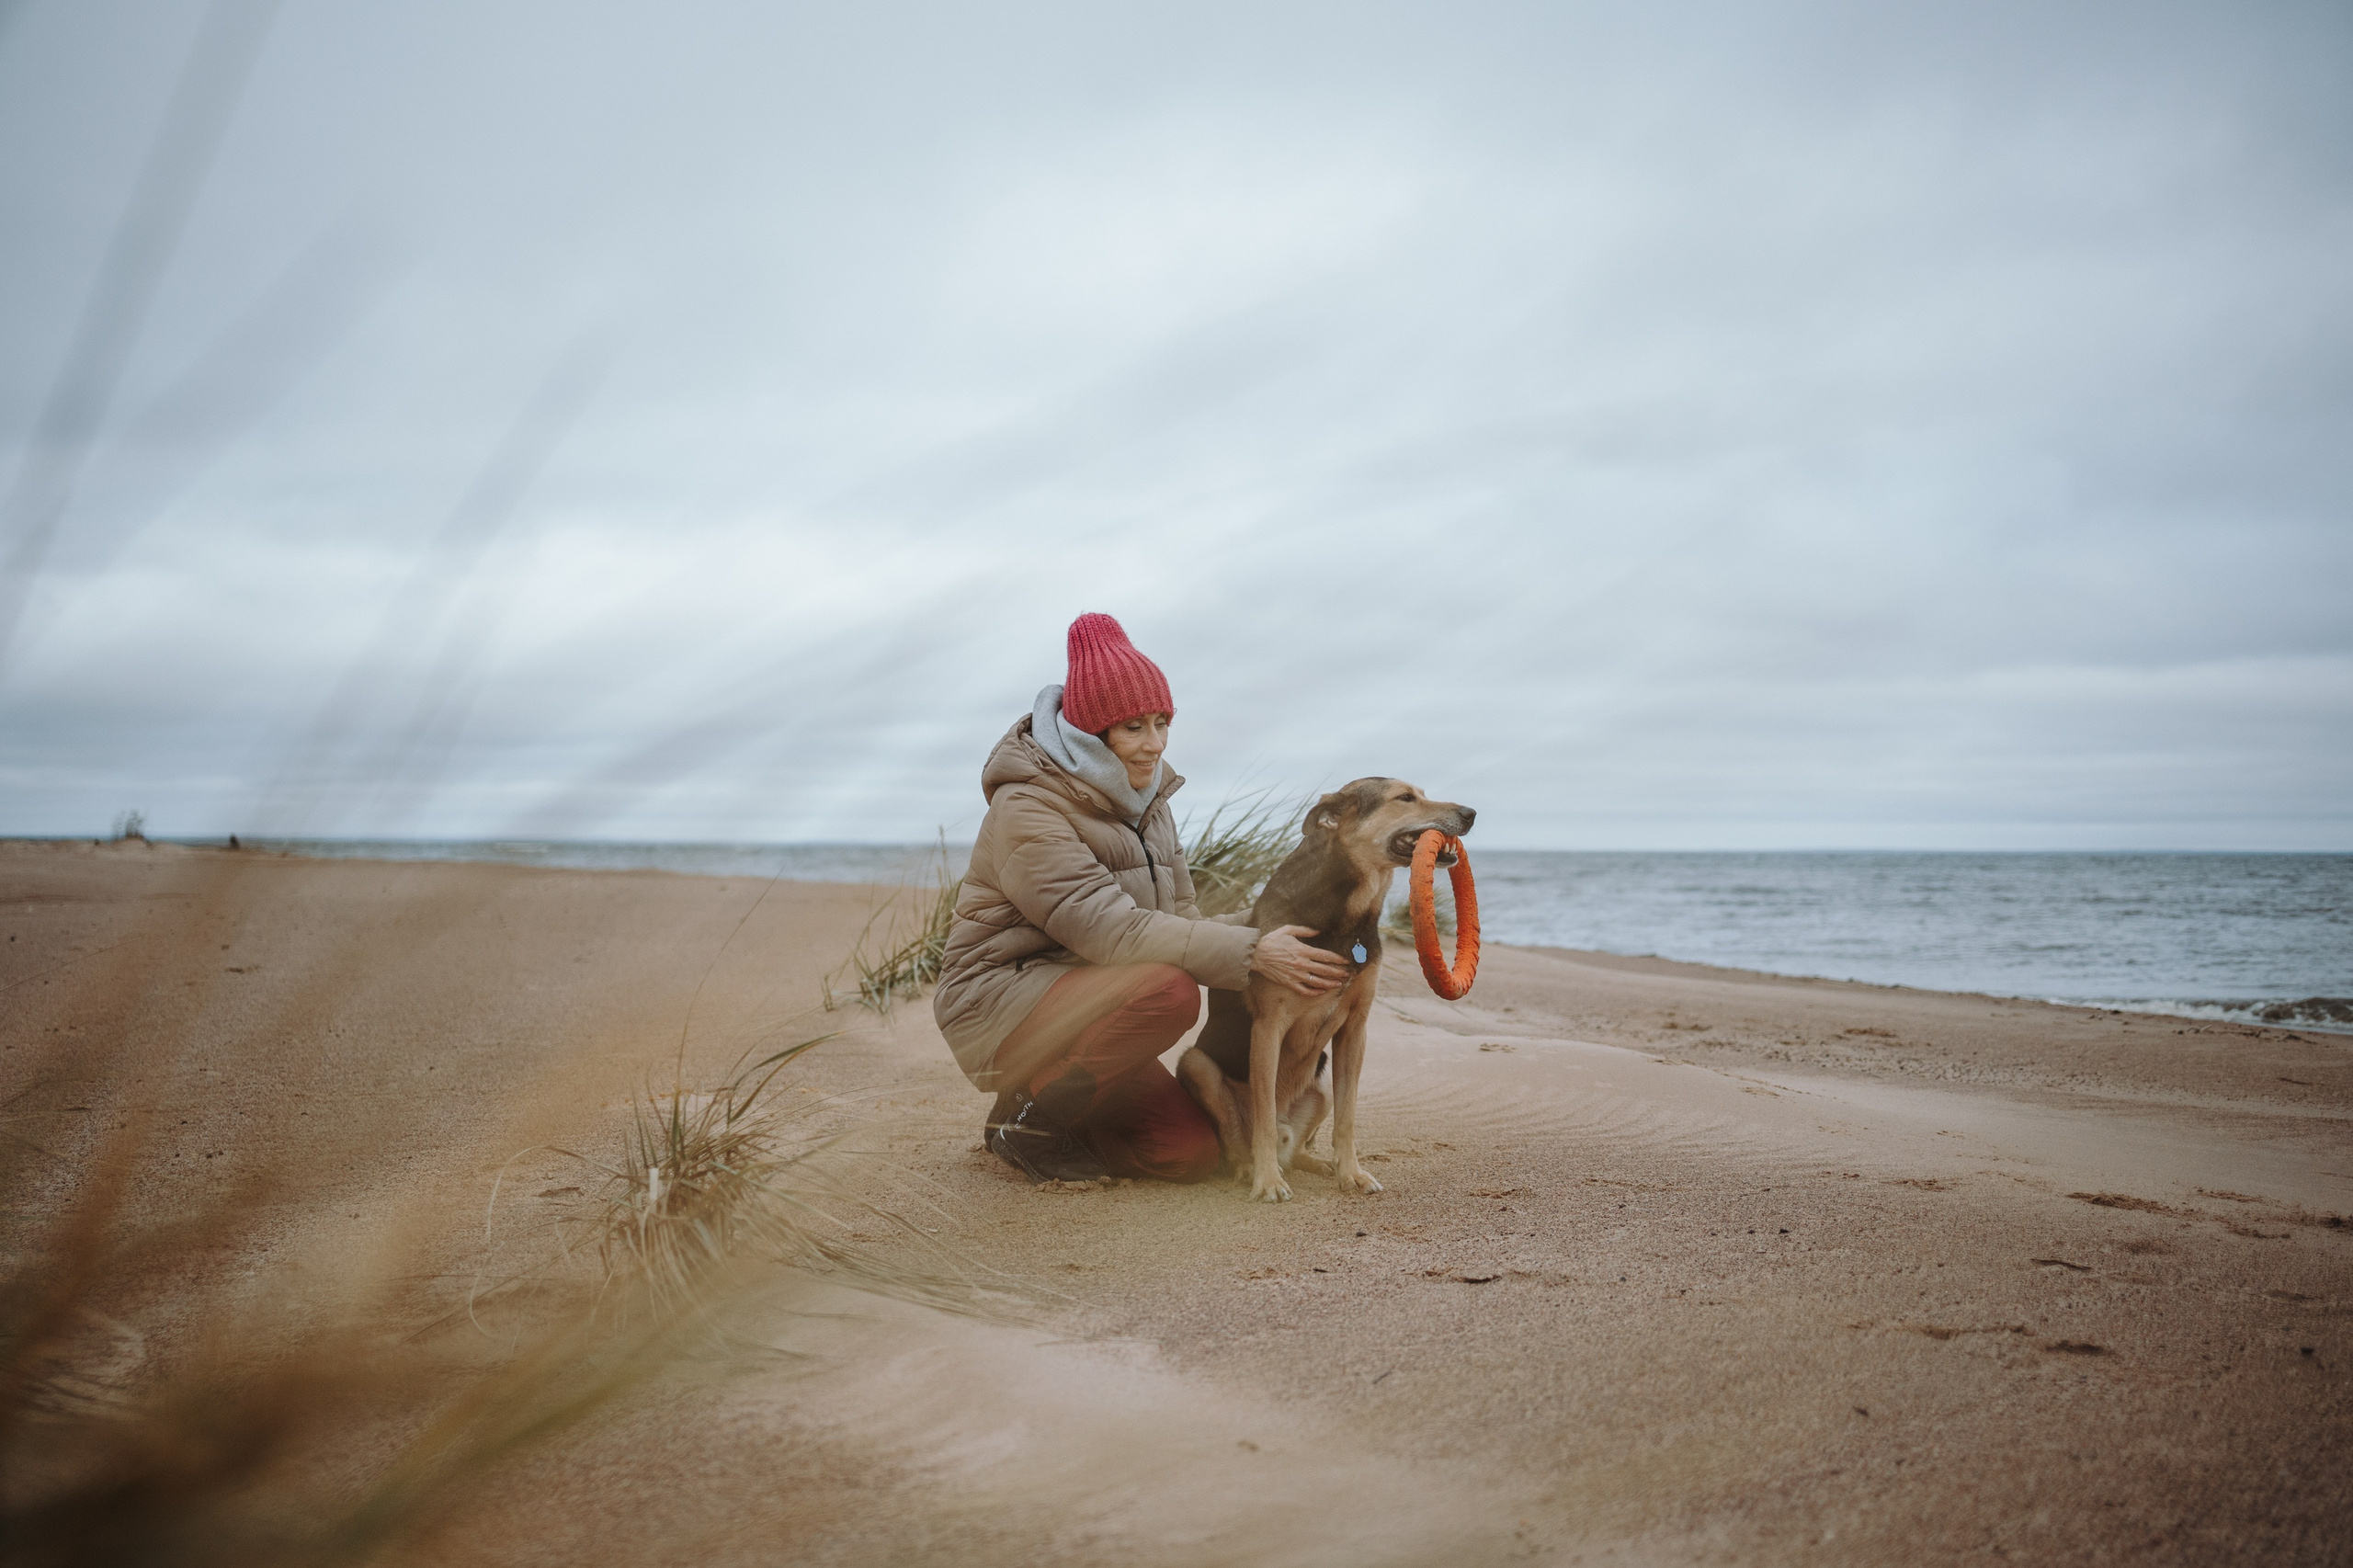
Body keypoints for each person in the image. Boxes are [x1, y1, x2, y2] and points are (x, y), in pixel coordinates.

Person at [934, 612, 1350, 1184]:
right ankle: (1031, 1124)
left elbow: (1179, 922)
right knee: (1170, 991)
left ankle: (1038, 1094)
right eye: (1133, 727)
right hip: (999, 998)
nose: (1154, 744)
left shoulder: (1149, 802)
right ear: (1090, 733)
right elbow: (1112, 931)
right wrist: (1256, 951)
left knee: (1188, 1156)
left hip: (1100, 1005)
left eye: (1162, 722)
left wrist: (1288, 923)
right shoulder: (1027, 807)